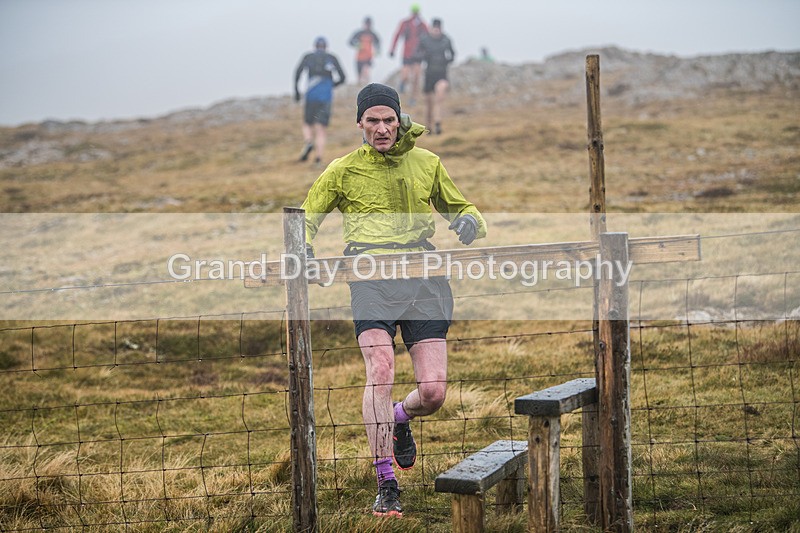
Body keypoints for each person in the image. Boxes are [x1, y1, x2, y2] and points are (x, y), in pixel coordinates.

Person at [300, 83, 486, 517]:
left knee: (435, 393)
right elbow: (307, 215)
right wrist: (303, 249)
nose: (382, 129)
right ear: (360, 124)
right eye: (373, 121)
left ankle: (401, 417)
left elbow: (462, 207)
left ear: (400, 121)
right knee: (380, 370)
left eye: (389, 120)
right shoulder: (342, 170)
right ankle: (386, 482)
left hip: (423, 280)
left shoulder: (427, 163)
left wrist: (469, 223)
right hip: (370, 280)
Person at [293, 36, 346, 166]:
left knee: (307, 123)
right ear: (326, 47)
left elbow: (297, 73)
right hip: (325, 96)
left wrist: (297, 91)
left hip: (311, 94)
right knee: (321, 128)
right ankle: (318, 158)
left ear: (315, 46)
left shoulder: (308, 57)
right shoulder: (332, 58)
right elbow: (343, 77)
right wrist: (332, 85)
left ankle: (308, 141)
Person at [416, 18, 455, 135]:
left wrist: (447, 61)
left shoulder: (446, 40)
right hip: (429, 74)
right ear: (431, 28)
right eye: (435, 28)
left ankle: (438, 123)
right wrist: (423, 56)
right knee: (429, 103)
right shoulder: (425, 39)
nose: (436, 30)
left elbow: (452, 54)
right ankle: (429, 127)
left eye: (438, 28)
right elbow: (417, 53)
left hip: (442, 74)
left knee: (439, 98)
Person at [388, 4, 428, 103]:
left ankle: (413, 98)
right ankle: (402, 84)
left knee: (416, 76)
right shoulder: (405, 23)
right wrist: (392, 49)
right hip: (407, 54)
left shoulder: (423, 25)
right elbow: (397, 35)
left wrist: (429, 52)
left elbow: (428, 38)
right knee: (405, 75)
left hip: (418, 54)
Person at [349, 16, 381, 85]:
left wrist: (378, 51)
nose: (368, 26)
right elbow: (350, 42)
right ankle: (359, 85)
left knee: (366, 71)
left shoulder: (373, 34)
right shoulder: (359, 33)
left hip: (368, 57)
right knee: (359, 75)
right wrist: (357, 45)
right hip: (359, 57)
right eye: (367, 24)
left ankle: (367, 85)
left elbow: (378, 43)